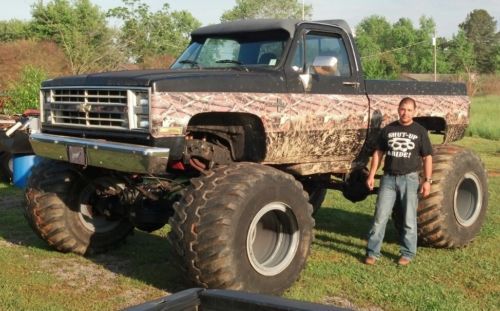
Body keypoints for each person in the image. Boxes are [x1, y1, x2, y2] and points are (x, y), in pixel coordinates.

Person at [365, 97, 433, 266]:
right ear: (398, 109)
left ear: (415, 112)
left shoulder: (420, 131)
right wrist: (372, 174)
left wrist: (427, 180)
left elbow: (427, 157)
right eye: (403, 109)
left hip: (410, 179)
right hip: (388, 178)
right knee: (380, 217)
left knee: (409, 219)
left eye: (409, 110)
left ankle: (407, 253)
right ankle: (373, 252)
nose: (405, 113)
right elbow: (378, 153)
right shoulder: (388, 129)